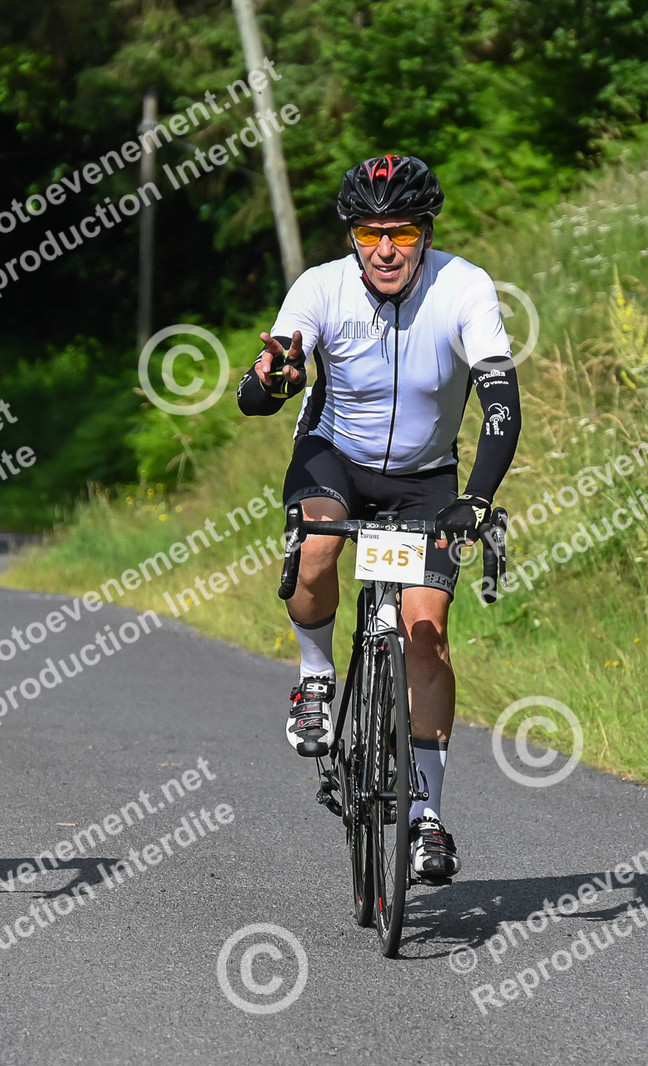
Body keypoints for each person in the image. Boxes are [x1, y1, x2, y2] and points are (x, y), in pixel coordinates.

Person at [237, 154, 521, 881]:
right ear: (352, 238)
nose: (386, 250)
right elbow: (262, 387)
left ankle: (426, 816)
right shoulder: (320, 288)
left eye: (401, 233)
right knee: (317, 552)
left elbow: (501, 403)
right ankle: (315, 677)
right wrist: (275, 378)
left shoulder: (465, 287)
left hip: (425, 478)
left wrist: (477, 499)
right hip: (334, 457)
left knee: (427, 637)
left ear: (426, 233)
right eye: (369, 234)